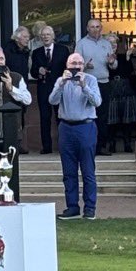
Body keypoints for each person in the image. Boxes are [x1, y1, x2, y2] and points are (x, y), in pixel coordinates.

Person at [49, 53, 101, 220]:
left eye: (79, 63)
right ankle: (72, 207)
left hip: (85, 126)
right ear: (67, 65)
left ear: (83, 65)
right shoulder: (61, 81)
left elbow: (97, 102)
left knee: (87, 170)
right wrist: (62, 84)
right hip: (66, 127)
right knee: (69, 172)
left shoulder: (91, 80)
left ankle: (90, 207)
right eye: (73, 63)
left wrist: (84, 86)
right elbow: (52, 100)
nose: (76, 66)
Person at [75, 18, 117, 156]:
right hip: (87, 83)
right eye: (92, 27)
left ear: (101, 28)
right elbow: (74, 65)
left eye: (97, 26)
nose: (95, 29)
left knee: (103, 116)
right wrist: (85, 66)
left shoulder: (106, 44)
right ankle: (88, 146)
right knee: (87, 115)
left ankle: (102, 146)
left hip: (104, 82)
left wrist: (112, 62)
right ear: (87, 28)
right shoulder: (81, 44)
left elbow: (114, 66)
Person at [29, 25, 70, 154]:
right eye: (43, 35)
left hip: (59, 87)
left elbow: (67, 69)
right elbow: (33, 72)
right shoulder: (36, 52)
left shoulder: (63, 50)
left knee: (61, 117)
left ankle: (63, 145)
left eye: (48, 34)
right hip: (43, 88)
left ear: (53, 36)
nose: (45, 37)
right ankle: (46, 147)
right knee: (45, 118)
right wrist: (38, 71)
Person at [105, 33, 136, 153]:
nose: (112, 45)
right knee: (111, 118)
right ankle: (111, 144)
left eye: (114, 43)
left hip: (125, 87)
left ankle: (127, 143)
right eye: (110, 43)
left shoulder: (123, 56)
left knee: (127, 118)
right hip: (111, 87)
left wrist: (128, 58)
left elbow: (130, 73)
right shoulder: (103, 56)